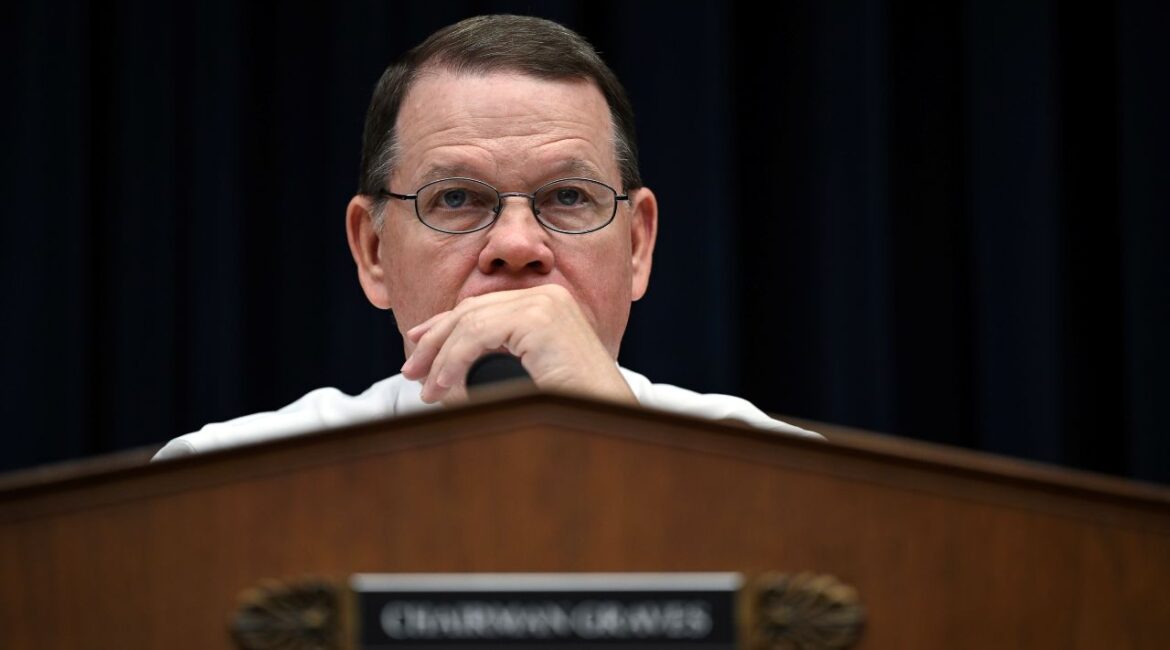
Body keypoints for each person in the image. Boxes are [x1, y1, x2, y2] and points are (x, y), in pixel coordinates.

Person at [153, 15, 818, 460]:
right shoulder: (223, 479)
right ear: (374, 252)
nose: (518, 244)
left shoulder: (777, 475)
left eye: (567, 197)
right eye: (458, 199)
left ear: (638, 246)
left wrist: (618, 443)